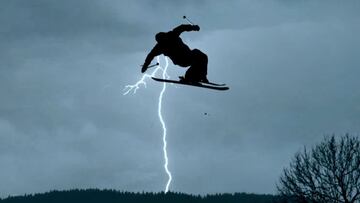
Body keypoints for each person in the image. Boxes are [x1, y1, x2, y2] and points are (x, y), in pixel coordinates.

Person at [141, 24, 209, 83]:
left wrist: (193, 27)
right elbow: (150, 56)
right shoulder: (159, 46)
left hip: (188, 55)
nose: (164, 43)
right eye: (162, 42)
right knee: (197, 58)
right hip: (181, 60)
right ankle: (189, 77)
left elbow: (182, 27)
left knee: (202, 57)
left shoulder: (172, 35)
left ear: (165, 36)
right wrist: (145, 66)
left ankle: (201, 76)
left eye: (164, 40)